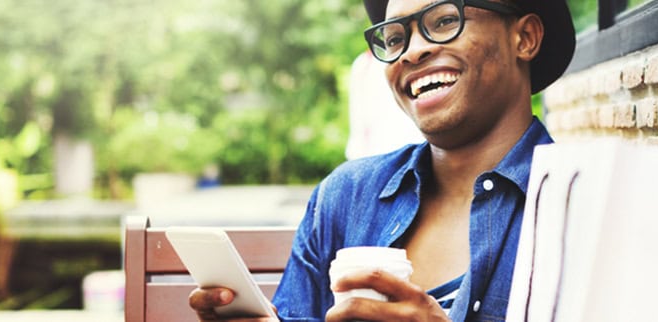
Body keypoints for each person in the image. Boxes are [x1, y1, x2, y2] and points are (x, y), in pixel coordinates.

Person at [188, 0, 575, 320]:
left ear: (524, 38)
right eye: (394, 38)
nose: (411, 51)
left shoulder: (581, 205)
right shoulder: (345, 196)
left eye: (443, 21)